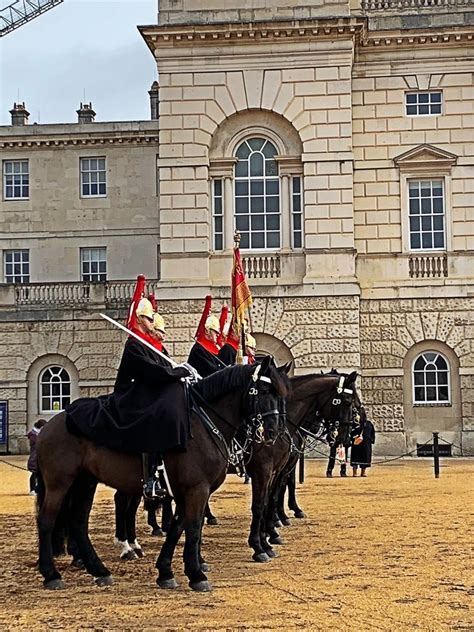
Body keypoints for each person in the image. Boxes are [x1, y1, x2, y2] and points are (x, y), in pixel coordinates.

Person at [66, 296, 191, 501]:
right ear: (140, 320)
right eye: (150, 320)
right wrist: (178, 373)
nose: (152, 324)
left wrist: (181, 373)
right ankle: (150, 478)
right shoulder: (134, 345)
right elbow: (151, 372)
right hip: (130, 397)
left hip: (145, 393)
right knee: (154, 417)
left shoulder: (149, 345)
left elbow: (163, 369)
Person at [187, 296, 226, 377]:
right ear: (207, 331)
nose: (218, 335)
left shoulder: (211, 349)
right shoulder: (199, 350)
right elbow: (212, 370)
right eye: (215, 332)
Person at [350, 407, 376, 477]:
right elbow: (372, 434)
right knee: (360, 457)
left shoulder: (368, 424)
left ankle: (360, 472)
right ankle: (358, 472)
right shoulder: (356, 424)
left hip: (362, 443)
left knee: (361, 457)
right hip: (361, 443)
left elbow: (372, 433)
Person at [27, 419, 47, 494]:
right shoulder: (34, 435)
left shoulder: (39, 434)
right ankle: (32, 489)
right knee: (34, 474)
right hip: (35, 457)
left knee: (40, 475)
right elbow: (35, 444)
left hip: (40, 458)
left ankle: (38, 488)